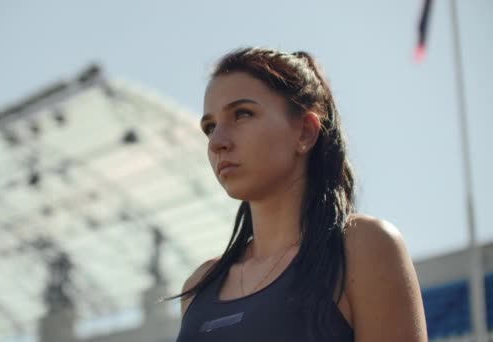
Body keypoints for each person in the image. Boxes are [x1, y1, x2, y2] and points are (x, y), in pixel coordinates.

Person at [168, 47, 427, 341]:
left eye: (242, 114)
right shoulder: (200, 286)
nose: (217, 142)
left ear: (305, 132)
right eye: (210, 127)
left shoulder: (362, 247)